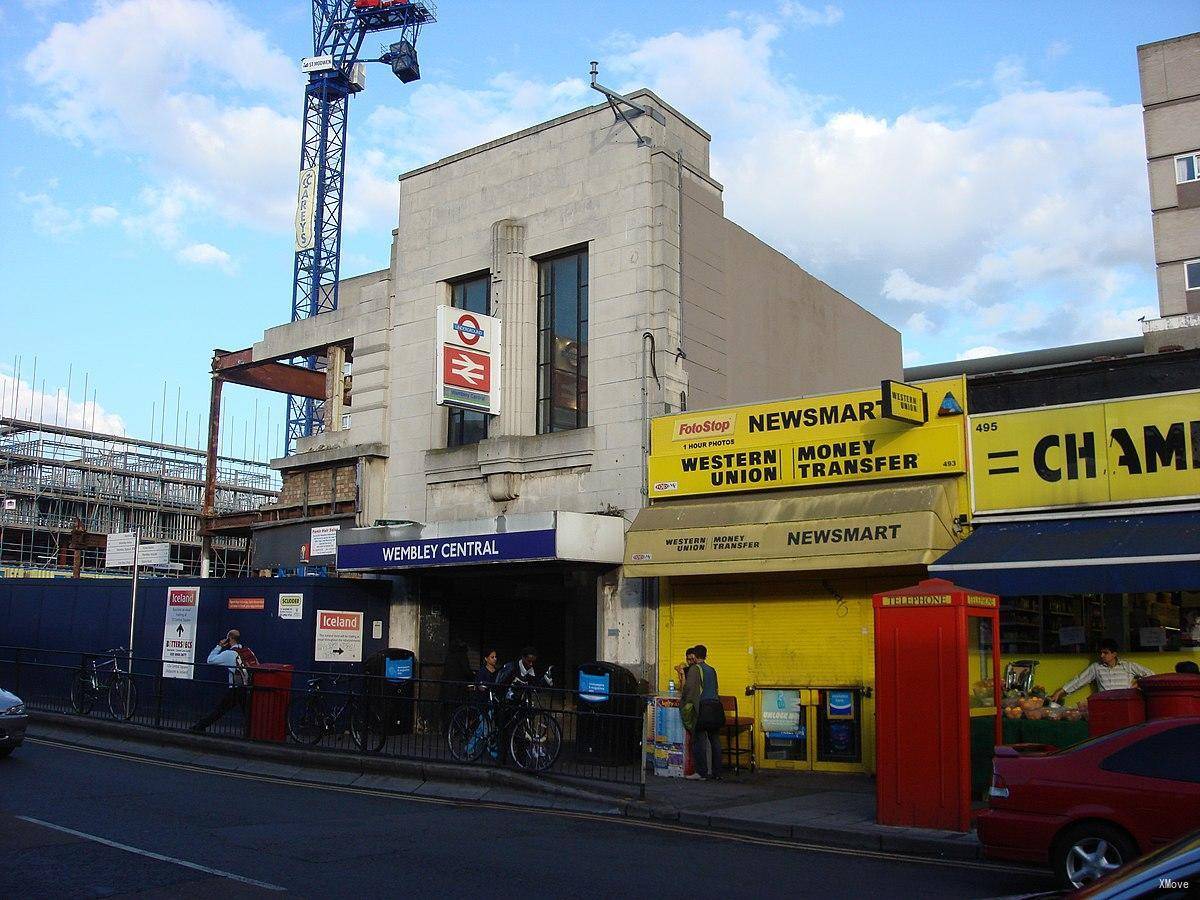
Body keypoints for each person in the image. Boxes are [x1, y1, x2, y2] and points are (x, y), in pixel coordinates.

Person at [1049, 639, 1154, 703]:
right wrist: (1060, 692)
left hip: (1125, 703)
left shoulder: (1127, 666)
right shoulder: (1096, 667)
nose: (1102, 655)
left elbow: (1150, 674)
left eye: (1105, 653)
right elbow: (1079, 680)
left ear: (1114, 654)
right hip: (1105, 704)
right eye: (1101, 652)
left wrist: (1136, 685)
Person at [189, 630, 249, 734]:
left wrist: (219, 646)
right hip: (248, 687)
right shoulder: (247, 651)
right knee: (248, 712)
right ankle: (253, 732)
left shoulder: (229, 654)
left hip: (236, 689)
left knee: (219, 710)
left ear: (229, 638)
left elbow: (210, 660)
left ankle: (199, 726)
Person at [683, 645, 725, 780]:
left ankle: (701, 772)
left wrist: (684, 704)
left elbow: (690, 689)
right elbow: (716, 688)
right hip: (715, 708)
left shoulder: (695, 669)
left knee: (699, 739)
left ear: (694, 656)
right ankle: (717, 772)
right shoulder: (712, 670)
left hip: (702, 708)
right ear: (706, 655)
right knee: (715, 740)